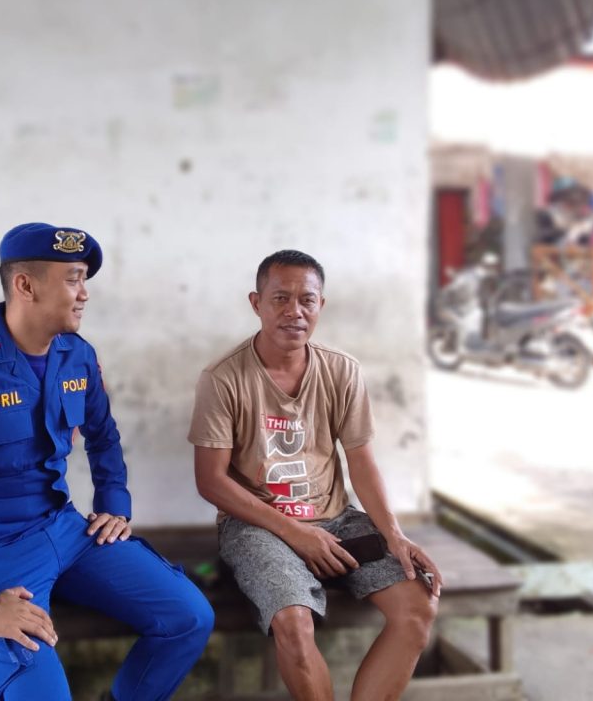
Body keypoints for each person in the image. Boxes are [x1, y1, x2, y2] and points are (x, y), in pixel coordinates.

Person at [0, 223, 213, 701]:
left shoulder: (76, 356)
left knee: (189, 617)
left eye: (84, 279)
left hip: (66, 531)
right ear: (25, 285)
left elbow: (104, 436)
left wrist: (114, 503)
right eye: (73, 279)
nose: (84, 293)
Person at [189, 249, 441, 701]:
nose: (295, 311)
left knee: (417, 608)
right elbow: (211, 481)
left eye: (307, 300)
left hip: (338, 521)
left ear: (321, 305)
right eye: (280, 298)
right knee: (293, 622)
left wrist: (395, 534)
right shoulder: (223, 378)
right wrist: (297, 533)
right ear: (256, 303)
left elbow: (360, 460)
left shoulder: (342, 370)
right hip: (258, 528)